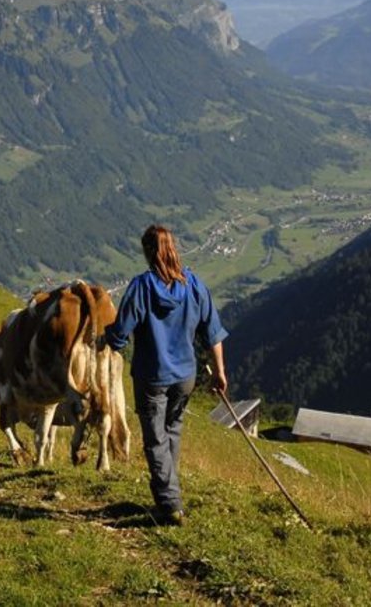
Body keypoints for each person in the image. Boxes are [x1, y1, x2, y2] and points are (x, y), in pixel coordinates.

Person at [104, 224, 227, 526]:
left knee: (156, 439)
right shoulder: (194, 285)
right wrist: (220, 372)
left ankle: (170, 504)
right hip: (186, 375)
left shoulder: (141, 287)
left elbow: (119, 335)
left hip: (152, 376)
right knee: (172, 430)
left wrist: (107, 338)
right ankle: (168, 494)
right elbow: (212, 334)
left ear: (148, 252)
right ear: (173, 248)